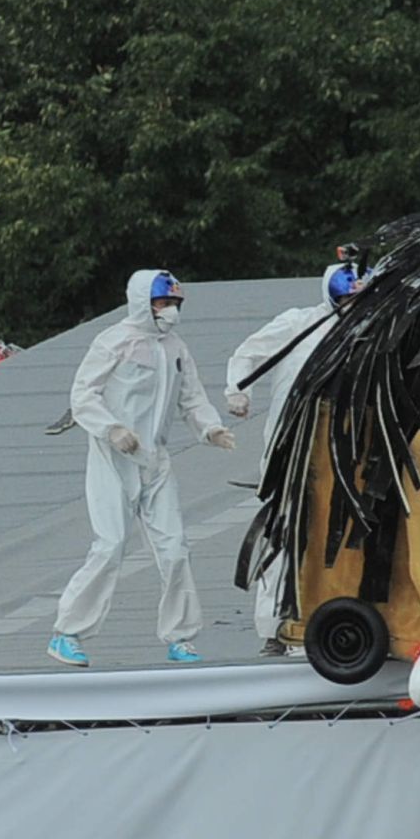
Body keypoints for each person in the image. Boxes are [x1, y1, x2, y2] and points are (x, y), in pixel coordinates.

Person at [47, 271, 236, 667]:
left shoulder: (175, 348)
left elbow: (191, 398)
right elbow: (82, 395)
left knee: (175, 549)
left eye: (173, 304)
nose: (170, 311)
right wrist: (111, 428)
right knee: (111, 544)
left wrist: (211, 428)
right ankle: (68, 632)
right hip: (113, 456)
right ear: (142, 303)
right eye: (163, 303)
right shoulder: (113, 341)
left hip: (155, 459)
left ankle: (180, 637)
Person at [224, 261, 365, 655]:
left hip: (338, 446)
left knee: (334, 535)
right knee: (286, 531)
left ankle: (322, 624)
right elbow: (249, 352)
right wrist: (237, 390)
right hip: (291, 445)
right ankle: (273, 627)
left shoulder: (364, 332)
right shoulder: (299, 323)